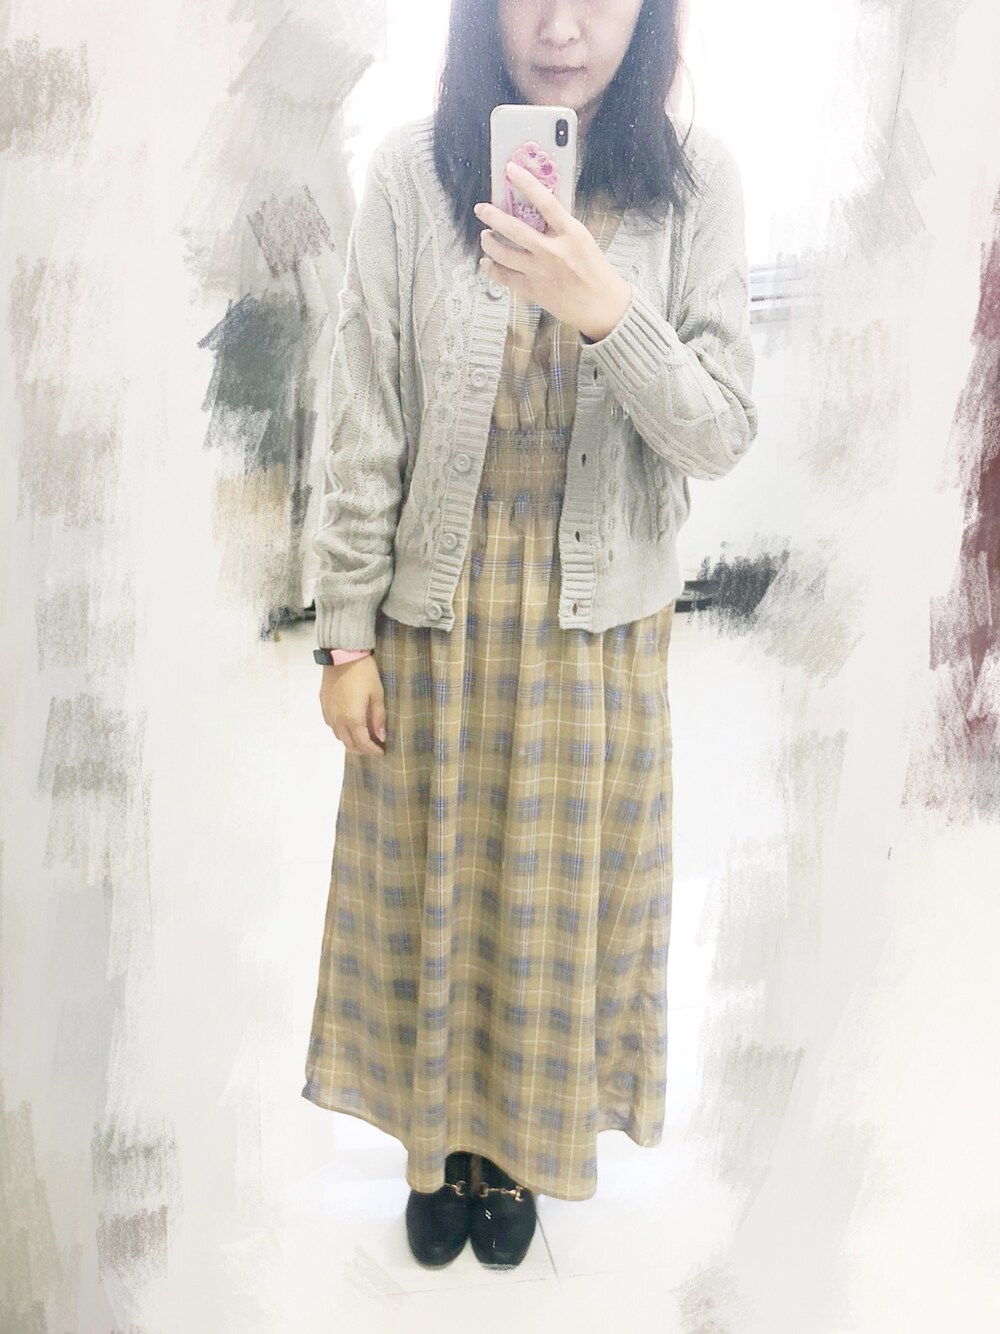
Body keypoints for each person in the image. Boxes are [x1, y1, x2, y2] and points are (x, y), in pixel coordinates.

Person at [301, 0, 758, 1272]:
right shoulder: (413, 172)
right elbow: (363, 403)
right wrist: (345, 634)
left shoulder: (697, 181)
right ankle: (439, 1145)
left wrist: (608, 310)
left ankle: (510, 1153)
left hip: (594, 631)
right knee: (431, 900)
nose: (561, 27)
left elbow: (720, 429)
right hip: (433, 615)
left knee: (550, 915)